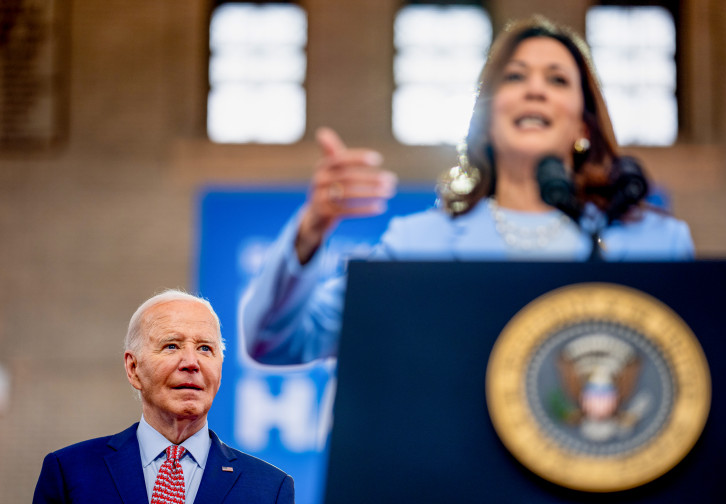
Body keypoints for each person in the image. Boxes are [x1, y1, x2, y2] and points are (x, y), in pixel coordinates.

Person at [240, 15, 694, 366]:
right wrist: (312, 228)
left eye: (556, 79)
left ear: (583, 124)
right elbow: (276, 341)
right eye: (515, 77)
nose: (535, 89)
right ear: (487, 118)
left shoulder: (654, 244)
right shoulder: (417, 246)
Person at [33, 290, 295, 504]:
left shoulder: (270, 489)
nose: (192, 363)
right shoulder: (69, 473)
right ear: (133, 368)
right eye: (172, 345)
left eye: (205, 348)